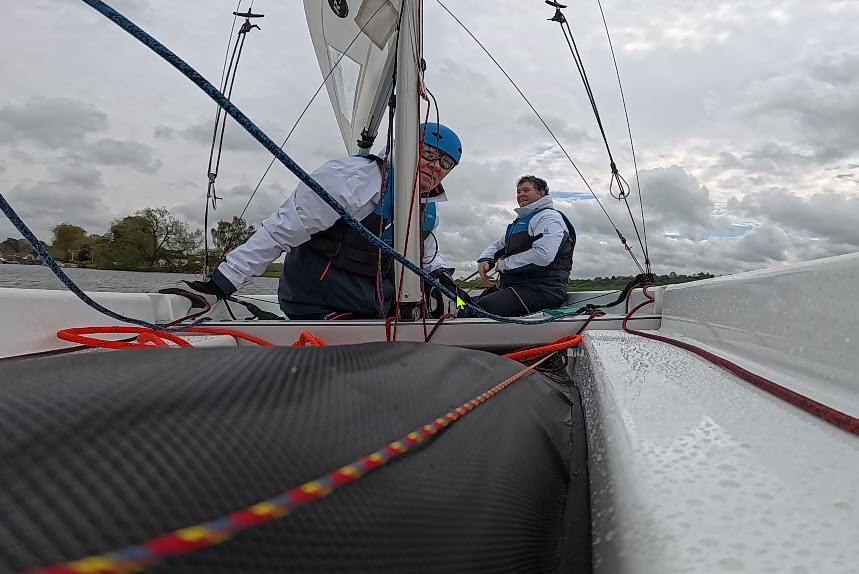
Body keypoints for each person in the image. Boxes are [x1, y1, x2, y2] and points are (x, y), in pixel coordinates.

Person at [160, 123, 462, 319]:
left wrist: (447, 284)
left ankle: (464, 309)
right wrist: (219, 285)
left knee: (459, 304)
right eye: (430, 153)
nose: (436, 166)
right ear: (405, 146)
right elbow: (280, 232)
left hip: (373, 302)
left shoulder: (428, 209)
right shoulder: (351, 180)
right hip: (319, 300)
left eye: (446, 163)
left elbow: (430, 260)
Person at [464, 175, 575, 317]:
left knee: (478, 309)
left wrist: (503, 264)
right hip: (516, 287)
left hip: (544, 290)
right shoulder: (522, 221)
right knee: (462, 302)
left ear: (541, 193)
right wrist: (486, 260)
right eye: (518, 191)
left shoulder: (549, 218)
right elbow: (498, 245)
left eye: (526, 190)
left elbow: (543, 255)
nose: (521, 194)